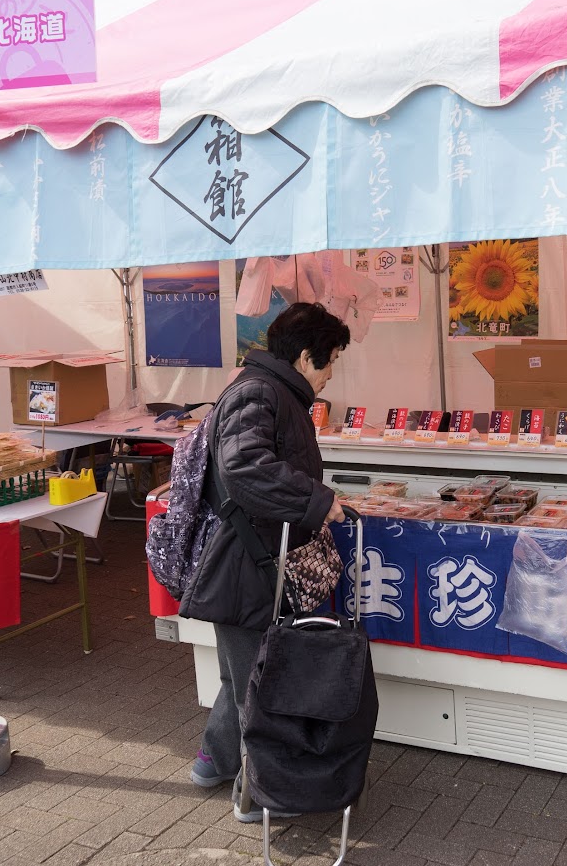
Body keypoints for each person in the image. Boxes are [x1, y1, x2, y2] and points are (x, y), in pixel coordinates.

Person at [179, 301, 351, 822]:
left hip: (249, 561)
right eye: (329, 362)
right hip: (245, 564)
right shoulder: (259, 391)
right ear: (304, 357)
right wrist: (317, 502)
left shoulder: (273, 391)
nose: (329, 375)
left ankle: (213, 761)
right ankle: (259, 795)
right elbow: (245, 468)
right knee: (262, 677)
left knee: (244, 673)